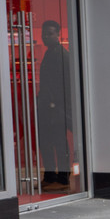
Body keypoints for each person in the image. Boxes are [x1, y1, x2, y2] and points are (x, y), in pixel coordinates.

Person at [36, 20, 72, 191]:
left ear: (58, 34)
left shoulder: (61, 55)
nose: (45, 36)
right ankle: (50, 176)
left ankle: (63, 178)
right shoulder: (51, 53)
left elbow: (65, 84)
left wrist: (55, 104)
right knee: (47, 142)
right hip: (49, 106)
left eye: (49, 33)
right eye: (44, 33)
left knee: (58, 141)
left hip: (56, 107)